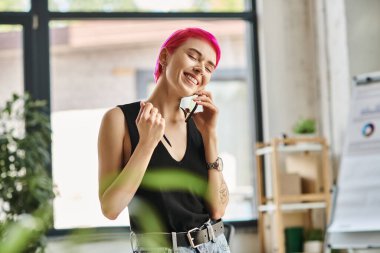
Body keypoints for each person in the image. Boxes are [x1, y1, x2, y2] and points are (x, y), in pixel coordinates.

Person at [97, 27, 231, 253]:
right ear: (165, 56)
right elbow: (110, 208)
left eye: (209, 67)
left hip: (214, 245)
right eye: (193, 57)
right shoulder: (119, 120)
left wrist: (210, 135)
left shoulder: (200, 123)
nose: (200, 69)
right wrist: (146, 144)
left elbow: (217, 210)